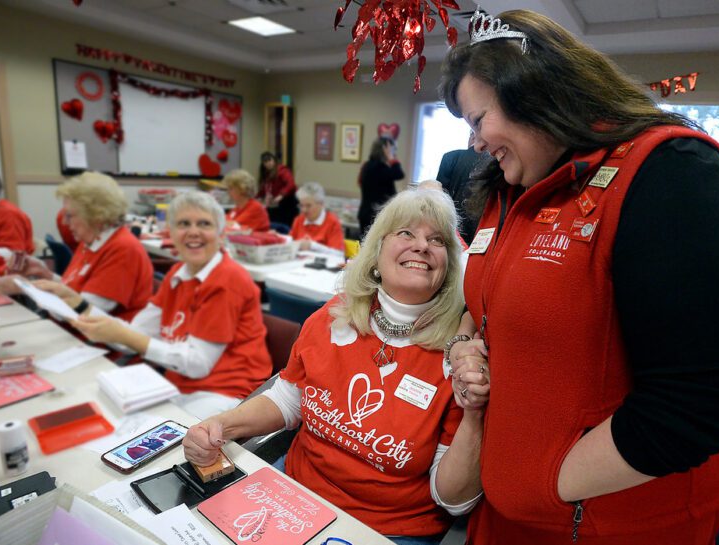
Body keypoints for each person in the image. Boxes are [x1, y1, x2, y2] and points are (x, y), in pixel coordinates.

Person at [439, 8, 719, 544]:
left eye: (478, 120)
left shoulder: (670, 170)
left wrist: (546, 485)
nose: (475, 142)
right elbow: (483, 302)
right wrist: (463, 344)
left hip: (602, 523)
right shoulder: (512, 189)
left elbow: (698, 403)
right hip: (506, 514)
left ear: (532, 92)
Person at [183, 189, 489, 545]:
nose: (421, 245)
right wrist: (221, 424)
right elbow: (287, 399)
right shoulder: (335, 315)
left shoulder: (459, 353)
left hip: (385, 528)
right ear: (376, 251)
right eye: (406, 233)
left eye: (436, 240)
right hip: (293, 492)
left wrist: (474, 412)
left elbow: (454, 501)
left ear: (449, 267)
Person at [38, 191, 272, 415]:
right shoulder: (177, 274)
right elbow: (135, 335)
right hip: (184, 386)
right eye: (183, 224)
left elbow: (198, 363)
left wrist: (123, 335)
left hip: (226, 395)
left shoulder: (227, 280)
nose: (193, 232)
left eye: (204, 224)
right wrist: (78, 303)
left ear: (221, 235)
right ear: (170, 233)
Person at [0, 172, 152, 320]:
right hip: (75, 334)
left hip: (101, 346)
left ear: (96, 216)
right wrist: (44, 273)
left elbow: (79, 311)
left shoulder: (122, 249)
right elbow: (74, 290)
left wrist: (26, 288)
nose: (65, 222)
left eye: (70, 216)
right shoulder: (91, 240)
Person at [435, 130, 487, 243]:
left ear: (473, 136)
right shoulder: (495, 163)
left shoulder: (450, 157)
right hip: (482, 233)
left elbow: (438, 198)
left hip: (452, 229)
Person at [357, 136, 404, 236]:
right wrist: (391, 158)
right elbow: (399, 174)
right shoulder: (378, 167)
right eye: (392, 150)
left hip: (368, 213)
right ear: (384, 150)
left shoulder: (368, 165)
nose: (394, 153)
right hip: (374, 215)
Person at [289, 182, 345, 256]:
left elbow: (339, 254)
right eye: (301, 205)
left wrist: (312, 246)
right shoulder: (299, 219)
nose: (304, 210)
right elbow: (289, 244)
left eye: (308, 206)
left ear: (321, 204)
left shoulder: (332, 222)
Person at [258, 151, 298, 227]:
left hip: (287, 203)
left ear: (274, 160)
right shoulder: (266, 174)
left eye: (269, 160)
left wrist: (281, 195)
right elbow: (263, 189)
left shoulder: (282, 170)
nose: (268, 163)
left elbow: (290, 184)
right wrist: (257, 198)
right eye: (265, 162)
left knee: (284, 225)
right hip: (274, 204)